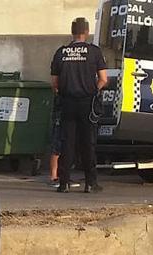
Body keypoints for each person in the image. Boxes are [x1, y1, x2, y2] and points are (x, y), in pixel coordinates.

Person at [50, 17, 108, 193]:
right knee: (87, 143)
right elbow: (104, 79)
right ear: (87, 32)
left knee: (67, 142)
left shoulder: (61, 52)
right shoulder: (94, 52)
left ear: (72, 32)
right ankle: (90, 183)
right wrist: (93, 91)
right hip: (87, 103)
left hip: (68, 102)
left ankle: (64, 183)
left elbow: (54, 83)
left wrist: (64, 92)